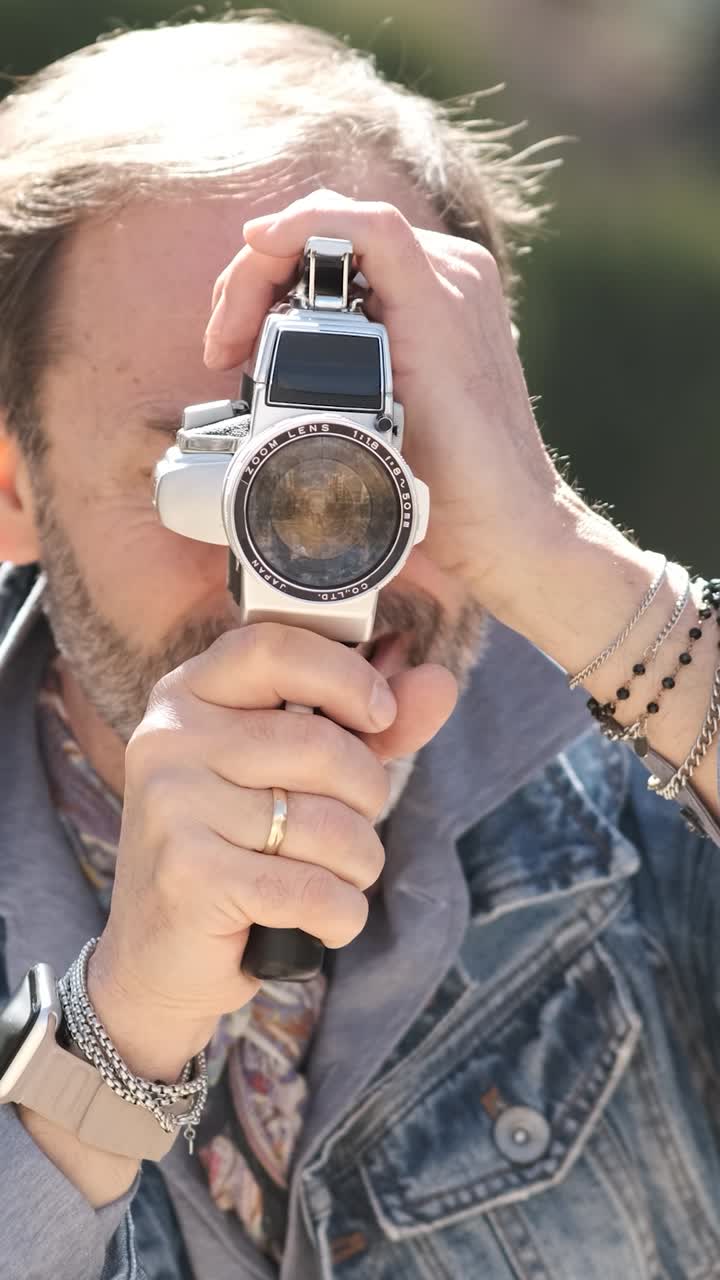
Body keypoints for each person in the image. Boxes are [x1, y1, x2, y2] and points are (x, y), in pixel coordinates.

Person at [1, 14, 719, 1280]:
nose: (321, 542)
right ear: (14, 483)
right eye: (219, 460)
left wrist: (579, 570)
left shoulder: (640, 806)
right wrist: (116, 1038)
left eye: (380, 452)